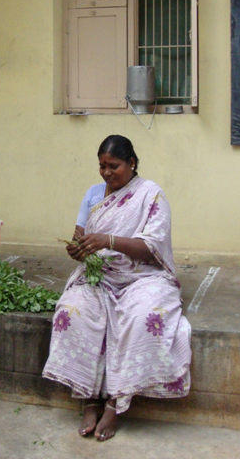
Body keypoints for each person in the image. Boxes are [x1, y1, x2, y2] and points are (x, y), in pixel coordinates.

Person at [42, 135, 192, 442]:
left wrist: (108, 241)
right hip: (100, 276)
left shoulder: (151, 195)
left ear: (132, 163)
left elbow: (152, 248)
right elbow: (79, 236)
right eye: (102, 166)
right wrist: (78, 249)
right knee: (73, 311)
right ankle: (88, 398)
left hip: (142, 277)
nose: (107, 173)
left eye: (114, 166)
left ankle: (115, 403)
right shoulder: (93, 195)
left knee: (142, 317)